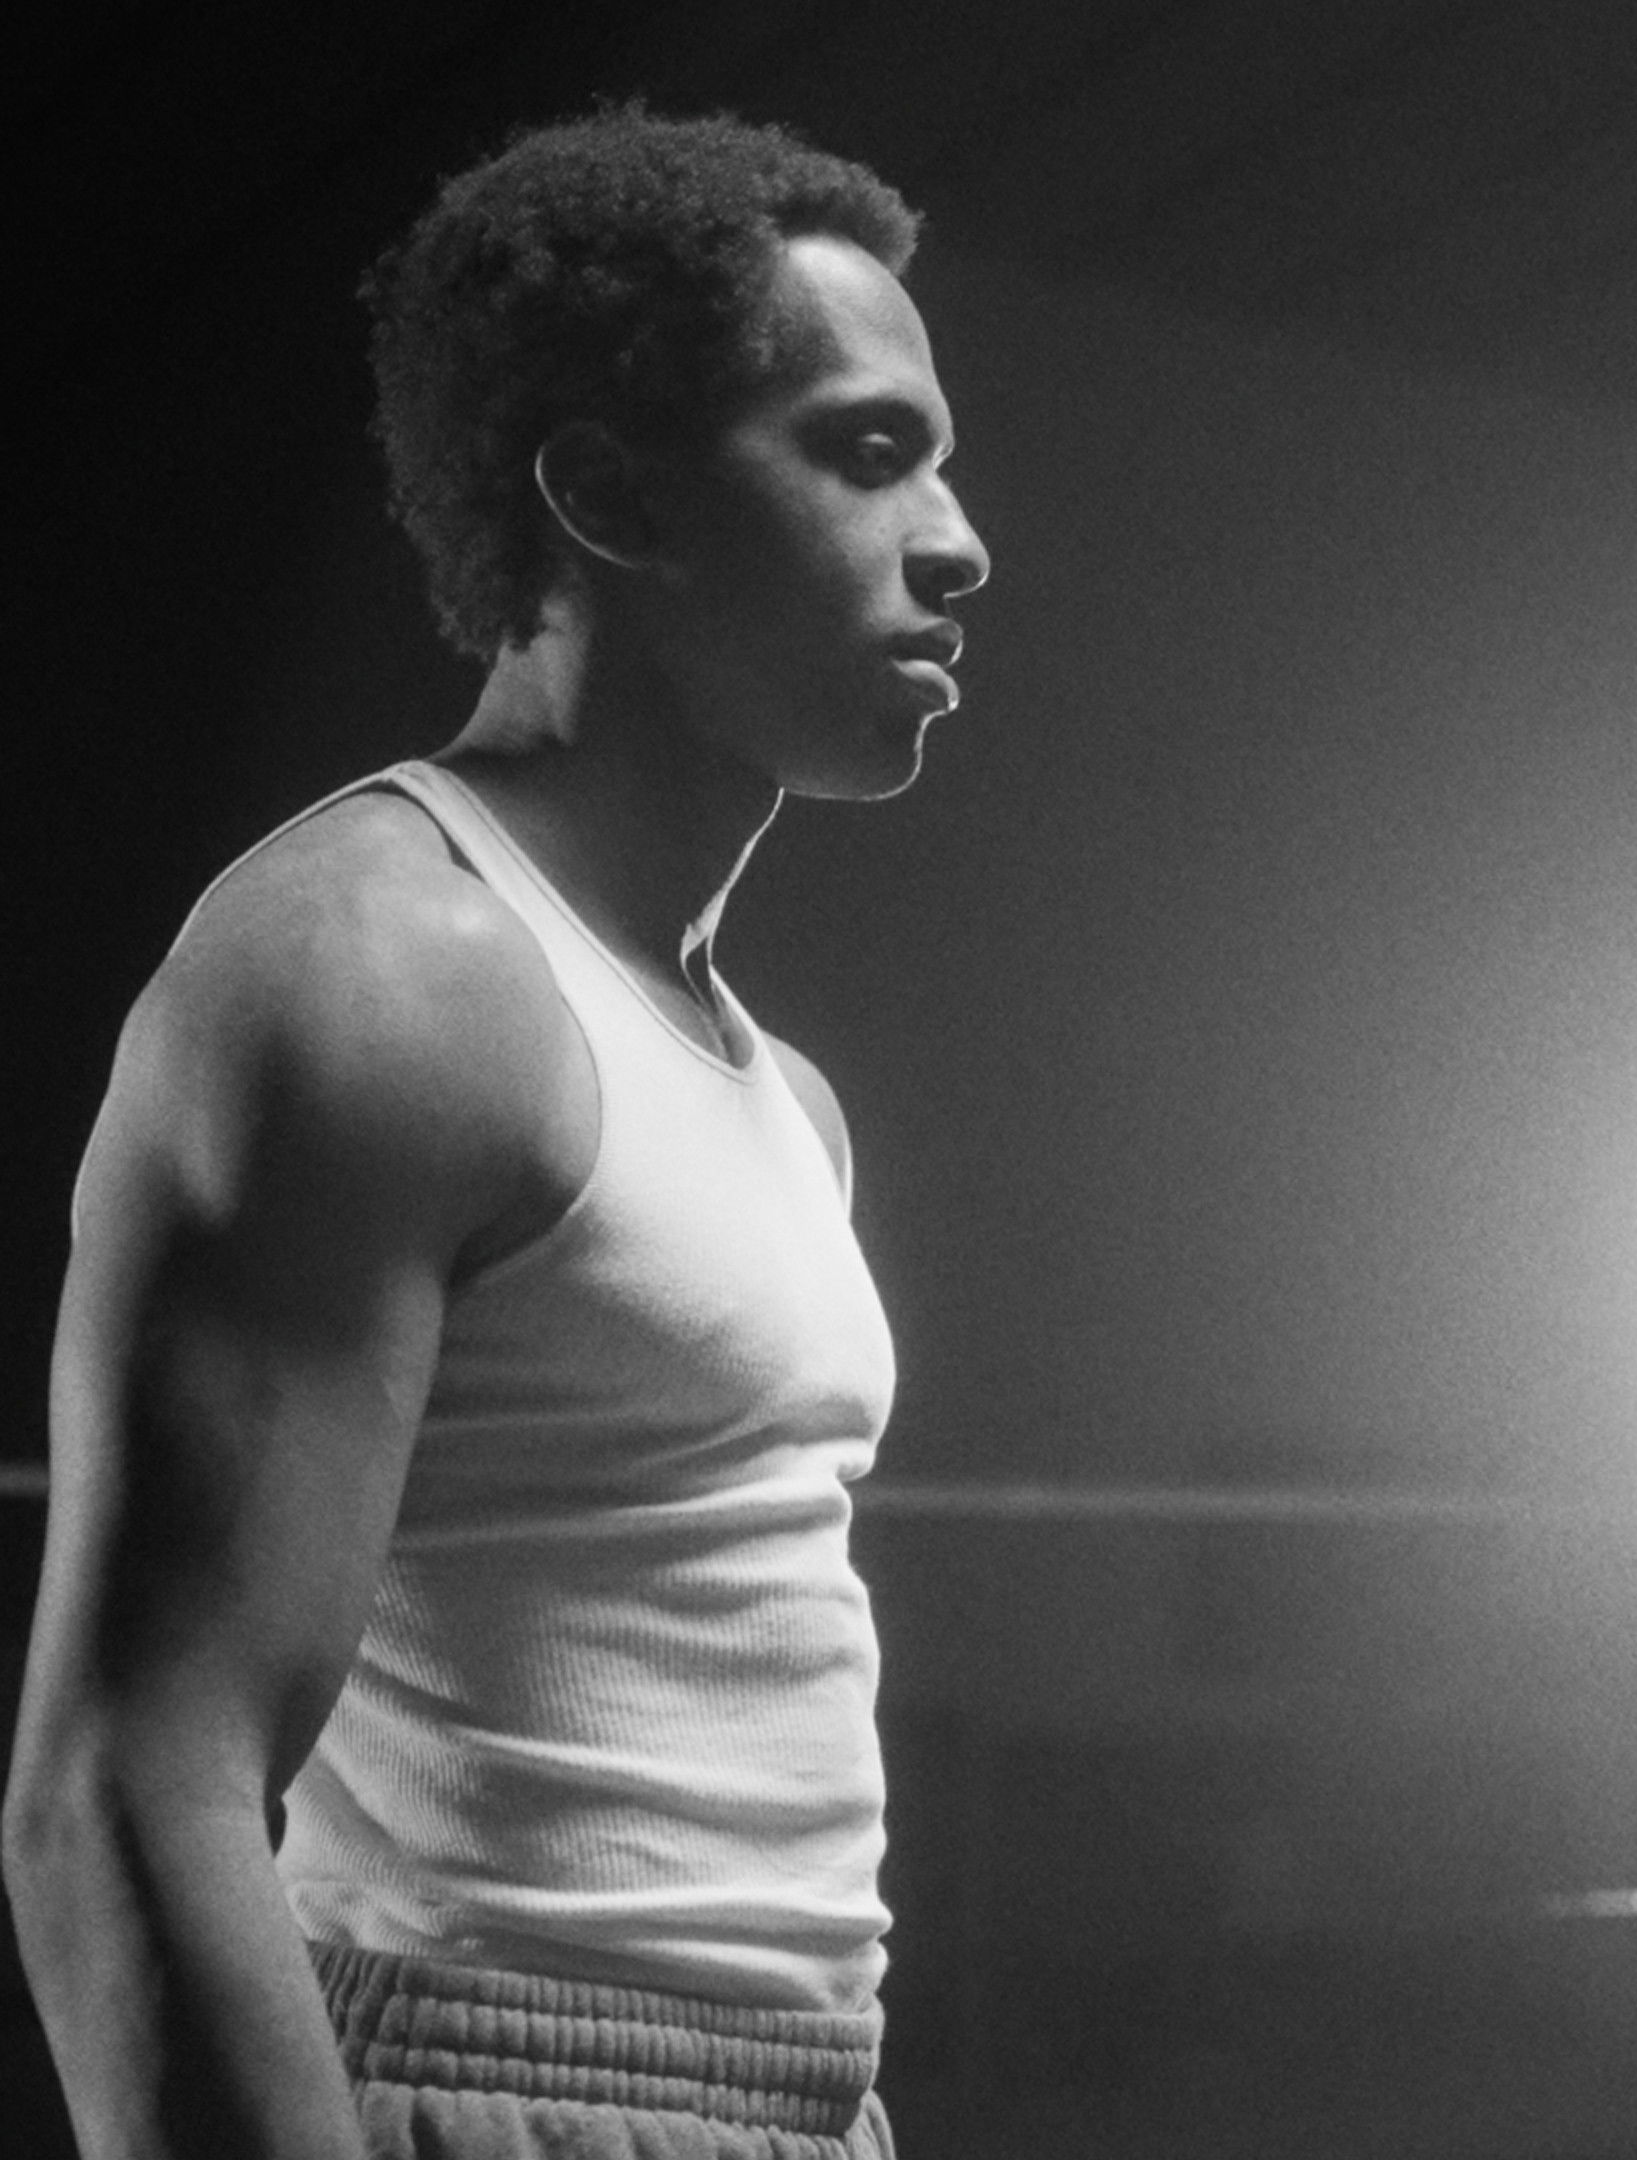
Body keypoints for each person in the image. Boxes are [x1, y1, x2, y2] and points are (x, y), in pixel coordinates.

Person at [6, 104, 986, 2160]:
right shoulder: (383, 962)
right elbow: (125, 1787)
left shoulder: (781, 1100)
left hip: (807, 2109)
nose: (959, 538)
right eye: (868, 451)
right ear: (612, 495)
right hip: (487, 2095)